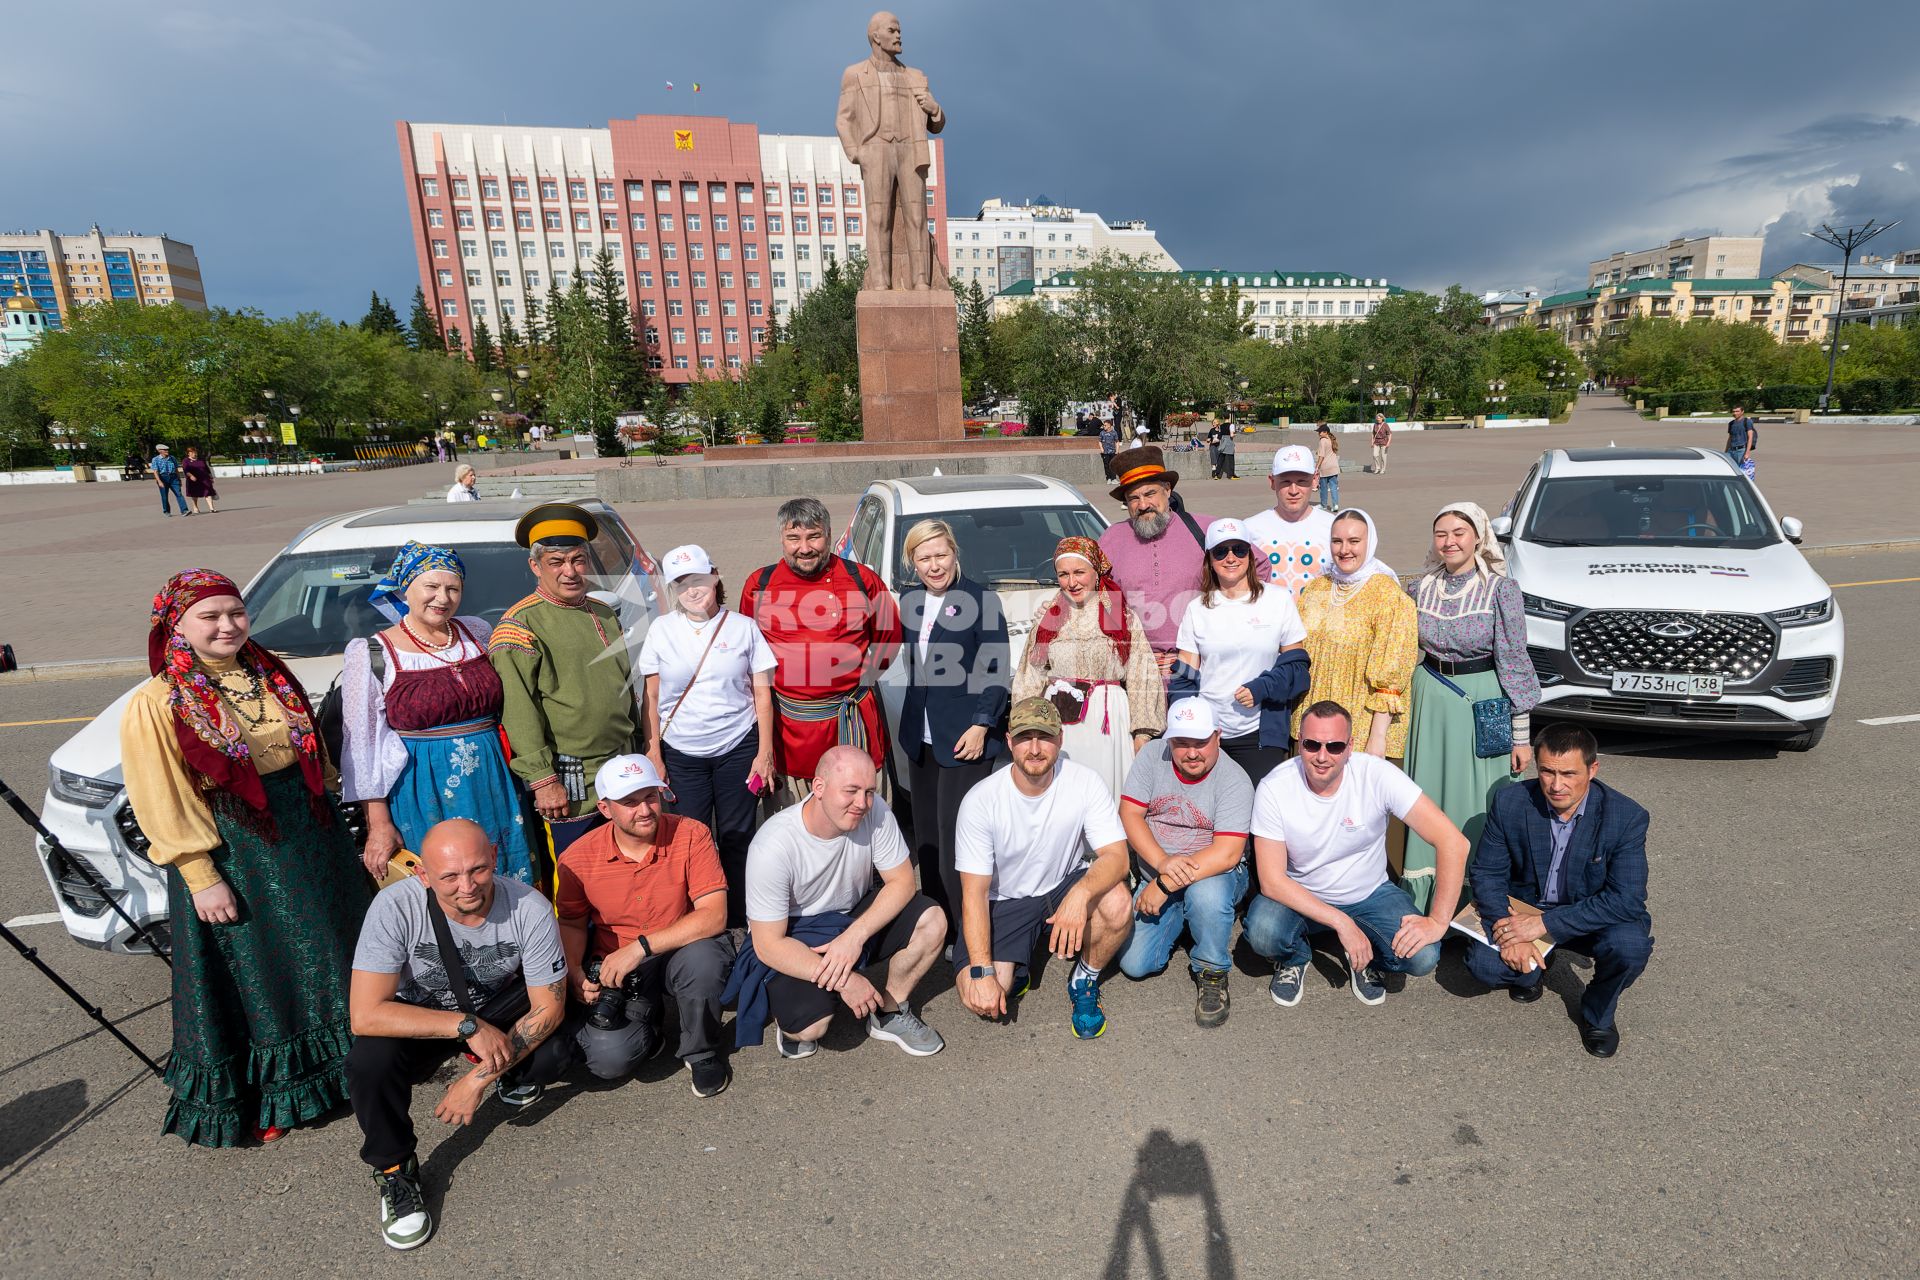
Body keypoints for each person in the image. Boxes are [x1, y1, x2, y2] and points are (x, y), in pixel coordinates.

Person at [121, 570, 371, 1147]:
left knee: (336, 946)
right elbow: (161, 795)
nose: (227, 625)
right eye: (210, 617)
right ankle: (280, 1092)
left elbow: (313, 751)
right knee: (268, 968)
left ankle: (354, 1068)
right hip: (241, 847)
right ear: (175, 626)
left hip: (309, 832)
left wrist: (333, 810)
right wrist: (200, 876)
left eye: (235, 612)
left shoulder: (268, 671)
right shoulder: (158, 702)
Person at [347, 819, 572, 1250]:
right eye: (449, 876)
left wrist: (477, 1080)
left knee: (553, 1047)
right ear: (422, 874)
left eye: (478, 870)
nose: (467, 886)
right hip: (424, 1017)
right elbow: (365, 1013)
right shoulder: (394, 908)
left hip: (496, 1009)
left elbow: (550, 1006)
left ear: (493, 855)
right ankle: (395, 1170)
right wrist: (465, 1026)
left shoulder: (530, 906)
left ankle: (510, 1073)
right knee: (367, 1062)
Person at [726, 746, 947, 1058]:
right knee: (811, 1028)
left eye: (869, 791)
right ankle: (792, 1008)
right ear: (818, 787)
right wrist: (846, 981)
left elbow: (903, 882)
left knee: (933, 919)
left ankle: (890, 1010)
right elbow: (767, 944)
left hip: (850, 919)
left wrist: (853, 938)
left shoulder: (875, 810)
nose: (862, 803)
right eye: (851, 791)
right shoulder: (773, 844)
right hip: (795, 935)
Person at [1244, 702, 1469, 1007]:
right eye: (1312, 745)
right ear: (1299, 741)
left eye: (1334, 746)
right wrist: (1342, 922)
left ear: (1350, 747)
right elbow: (1271, 881)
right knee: (1262, 933)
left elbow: (1454, 842)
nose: (1322, 757)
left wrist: (1439, 922)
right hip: (1302, 893)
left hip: (1370, 893)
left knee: (1423, 956)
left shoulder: (1376, 775)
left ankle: (1366, 957)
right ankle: (1295, 956)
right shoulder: (1275, 787)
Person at [341, 541, 535, 886]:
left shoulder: (476, 632)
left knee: (503, 873)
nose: (442, 598)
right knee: (444, 881)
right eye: (431, 586)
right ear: (406, 587)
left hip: (495, 781)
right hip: (423, 786)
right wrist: (380, 824)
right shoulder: (372, 652)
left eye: (453, 588)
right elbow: (364, 746)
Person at [1465, 724, 1653, 1059]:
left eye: (1568, 773)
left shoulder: (1626, 817)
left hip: (1589, 915)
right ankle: (1533, 970)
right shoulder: (1511, 802)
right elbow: (1488, 873)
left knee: (1630, 947)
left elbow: (1626, 899)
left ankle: (1598, 1013)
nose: (1556, 785)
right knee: (1484, 966)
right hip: (1524, 910)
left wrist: (1544, 925)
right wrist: (1512, 934)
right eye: (1548, 771)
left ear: (1592, 769)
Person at [953, 698, 1135, 1039]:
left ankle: (1084, 978)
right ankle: (1018, 967)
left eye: (1045, 737)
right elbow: (973, 894)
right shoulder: (981, 801)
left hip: (1062, 884)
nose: (1035, 749)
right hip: (1005, 901)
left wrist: (1080, 895)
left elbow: (1117, 858)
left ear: (1060, 739)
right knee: (981, 996)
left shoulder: (1085, 781)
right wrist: (981, 970)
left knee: (1119, 902)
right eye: (1025, 737)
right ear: (1009, 741)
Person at [555, 756, 735, 1096]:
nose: (645, 810)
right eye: (629, 802)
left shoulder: (692, 834)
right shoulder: (577, 858)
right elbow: (572, 923)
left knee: (705, 961)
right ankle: (649, 1028)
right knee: (609, 1061)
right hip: (618, 965)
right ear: (605, 808)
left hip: (680, 947)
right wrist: (575, 972)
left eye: (650, 796)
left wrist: (640, 947)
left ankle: (701, 1050)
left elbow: (714, 915)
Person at [1402, 503, 1541, 914]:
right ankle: (1425, 899)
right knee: (1428, 796)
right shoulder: (1418, 588)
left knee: (1481, 799)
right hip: (1429, 702)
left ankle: (1478, 901)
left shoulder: (1501, 590)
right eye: (1441, 533)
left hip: (1482, 700)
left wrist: (1521, 736)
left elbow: (1514, 662)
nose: (1449, 541)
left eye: (1458, 533)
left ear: (1478, 536)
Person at [490, 502, 639, 860]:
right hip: (571, 778)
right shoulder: (519, 627)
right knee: (579, 876)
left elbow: (624, 690)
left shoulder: (602, 612)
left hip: (622, 765)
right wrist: (543, 779)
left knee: (630, 864)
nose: (570, 571)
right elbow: (519, 711)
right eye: (556, 562)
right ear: (535, 566)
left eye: (577, 560)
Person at [639, 544, 777, 927]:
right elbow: (651, 696)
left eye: (699, 579)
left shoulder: (744, 627)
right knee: (689, 840)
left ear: (714, 577)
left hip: (738, 747)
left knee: (737, 836)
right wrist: (654, 752)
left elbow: (762, 693)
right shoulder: (662, 630)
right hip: (682, 752)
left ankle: (741, 919)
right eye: (681, 583)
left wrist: (765, 752)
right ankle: (698, 919)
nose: (692, 589)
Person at [896, 519, 1011, 942]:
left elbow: (996, 667)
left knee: (956, 840)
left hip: (964, 737)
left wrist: (983, 724)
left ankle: (970, 933)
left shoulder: (981, 599)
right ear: (912, 562)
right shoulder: (910, 600)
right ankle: (937, 926)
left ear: (955, 553)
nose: (934, 565)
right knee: (926, 840)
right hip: (921, 737)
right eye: (923, 558)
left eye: (940, 555)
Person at [741, 497, 901, 797]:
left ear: (829, 534)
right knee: (797, 829)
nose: (804, 548)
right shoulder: (759, 585)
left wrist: (858, 681)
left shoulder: (861, 580)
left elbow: (889, 639)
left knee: (863, 820)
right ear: (781, 539)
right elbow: (749, 658)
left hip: (852, 720)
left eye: (814, 536)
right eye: (793, 538)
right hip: (790, 732)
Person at [1115, 698, 1254, 1027]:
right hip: (1158, 873)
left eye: (1201, 743)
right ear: (1169, 740)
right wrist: (1162, 864)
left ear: (1218, 736)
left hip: (1215, 874)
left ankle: (1212, 969)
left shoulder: (1234, 780)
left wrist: (1165, 884)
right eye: (1181, 743)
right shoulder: (1152, 756)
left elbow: (1228, 854)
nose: (1192, 753)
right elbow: (1130, 813)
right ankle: (1191, 921)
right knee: (1135, 964)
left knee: (1206, 895)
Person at [1012, 536, 1165, 802]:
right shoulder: (1049, 616)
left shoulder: (1119, 614)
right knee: (1063, 796)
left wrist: (1143, 732)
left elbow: (1142, 672)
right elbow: (1030, 674)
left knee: (1107, 795)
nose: (1072, 582)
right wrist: (1026, 729)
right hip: (1059, 722)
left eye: (1079, 572)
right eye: (1064, 574)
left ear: (1096, 572)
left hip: (1107, 719)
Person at [1171, 517, 1310, 784]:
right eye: (1221, 551)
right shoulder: (1196, 608)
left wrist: (1262, 688)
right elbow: (1184, 677)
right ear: (1209, 559)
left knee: (1260, 816)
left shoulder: (1278, 599)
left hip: (1260, 734)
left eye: (1239, 549)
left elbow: (1298, 669)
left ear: (1250, 553)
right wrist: (1188, 727)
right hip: (1208, 735)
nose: (1231, 557)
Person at [1292, 509, 1418, 761]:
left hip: (1360, 724)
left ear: (1369, 543)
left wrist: (1377, 737)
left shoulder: (1387, 595)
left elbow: (1392, 670)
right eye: (1337, 541)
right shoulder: (1317, 587)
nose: (1344, 549)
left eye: (1354, 541)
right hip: (1313, 716)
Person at [836, 11, 943, 290]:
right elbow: (843, 119)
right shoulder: (855, 74)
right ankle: (881, 283)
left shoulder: (915, 76)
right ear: (876, 36)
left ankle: (922, 281)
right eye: (893, 31)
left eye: (899, 31)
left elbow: (936, 124)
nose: (899, 35)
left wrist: (936, 110)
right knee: (879, 219)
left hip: (911, 150)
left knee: (917, 218)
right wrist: (856, 152)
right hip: (876, 148)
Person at [1099, 445, 1214, 681]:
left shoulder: (1205, 529)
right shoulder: (1111, 539)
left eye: (1150, 494)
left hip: (1199, 667)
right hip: (1137, 672)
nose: (1143, 505)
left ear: (1168, 490)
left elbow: (1257, 567)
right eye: (1134, 498)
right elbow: (1096, 594)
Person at [1243, 443, 1336, 602]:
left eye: (1301, 481)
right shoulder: (1249, 529)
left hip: (1319, 626)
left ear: (1315, 480)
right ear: (1272, 481)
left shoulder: (1335, 527)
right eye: (1285, 482)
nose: (1293, 490)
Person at [150, 442, 190, 517]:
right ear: (159, 451)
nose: (167, 451)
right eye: (164, 450)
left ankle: (184, 510)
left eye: (167, 450)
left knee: (179, 494)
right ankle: (166, 511)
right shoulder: (155, 459)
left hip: (173, 478)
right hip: (163, 477)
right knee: (164, 496)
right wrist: (159, 482)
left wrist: (179, 479)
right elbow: (155, 471)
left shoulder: (172, 458)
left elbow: (176, 469)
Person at [182, 445, 218, 513]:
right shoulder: (186, 460)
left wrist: (211, 477)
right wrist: (190, 476)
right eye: (192, 452)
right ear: (188, 453)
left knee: (208, 493)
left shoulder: (201, 459)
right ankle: (195, 507)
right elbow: (185, 470)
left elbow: (207, 469)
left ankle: (211, 508)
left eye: (195, 452)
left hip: (205, 479)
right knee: (195, 494)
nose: (194, 454)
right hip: (193, 480)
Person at [1314, 423, 1341, 512]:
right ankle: (1335, 505)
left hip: (1325, 468)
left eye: (1320, 432)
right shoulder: (1331, 439)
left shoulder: (1322, 441)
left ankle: (1323, 505)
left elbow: (1321, 456)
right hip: (1334, 467)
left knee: (1323, 488)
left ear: (1325, 432)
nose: (1319, 434)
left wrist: (1317, 467)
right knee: (1333, 487)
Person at [1726, 404, 1756, 470]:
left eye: (1737, 411)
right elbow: (1730, 438)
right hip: (1731, 451)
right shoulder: (1731, 423)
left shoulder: (1747, 422)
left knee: (1741, 470)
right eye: (1733, 411)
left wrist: (1747, 453)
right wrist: (1726, 451)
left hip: (1741, 451)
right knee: (1731, 470)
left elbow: (1750, 437)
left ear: (1742, 412)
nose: (1735, 413)